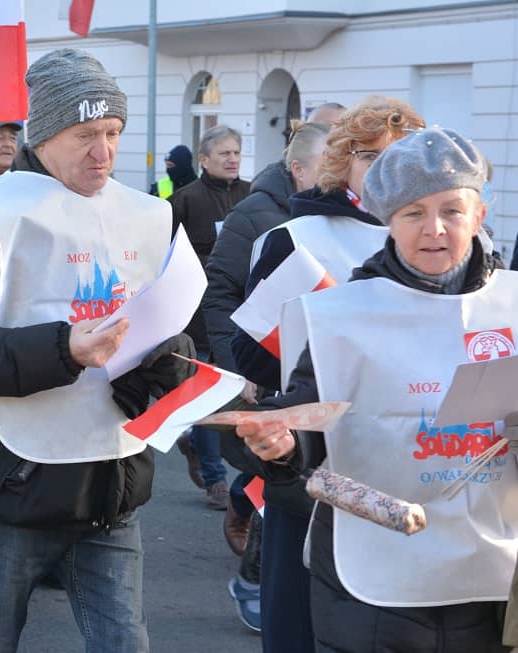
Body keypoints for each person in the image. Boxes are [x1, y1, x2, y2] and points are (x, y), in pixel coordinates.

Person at [0, 48, 196, 653]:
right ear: (42, 137)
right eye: (85, 134)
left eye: (113, 132)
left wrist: (170, 358)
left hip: (112, 481)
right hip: (9, 487)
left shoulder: (149, 214)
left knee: (126, 644)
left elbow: (166, 325)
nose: (104, 152)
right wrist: (63, 349)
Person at [238, 126, 514, 653]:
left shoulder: (512, 310)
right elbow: (307, 419)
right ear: (388, 220)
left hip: (491, 576)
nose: (434, 229)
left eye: (452, 211)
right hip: (371, 586)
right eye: (413, 213)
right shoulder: (345, 314)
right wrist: (283, 441)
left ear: (479, 215)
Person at [231, 97, 425, 653]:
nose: (388, 170)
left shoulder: (446, 239)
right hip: (314, 463)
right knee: (301, 623)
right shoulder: (295, 238)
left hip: (416, 461)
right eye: (371, 156)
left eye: (403, 155)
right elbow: (252, 356)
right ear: (342, 162)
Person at [201, 120, 330, 632]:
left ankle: (242, 511)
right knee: (279, 485)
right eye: (329, 167)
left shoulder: (357, 221)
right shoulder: (256, 215)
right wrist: (237, 370)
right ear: (298, 169)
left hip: (322, 382)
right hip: (269, 376)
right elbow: (221, 294)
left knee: (283, 483)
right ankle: (255, 580)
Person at [169, 125, 252, 510]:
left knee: (237, 398)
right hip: (197, 316)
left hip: (242, 315)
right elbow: (166, 255)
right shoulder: (185, 200)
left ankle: (198, 445)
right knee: (204, 398)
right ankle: (216, 480)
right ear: (204, 160)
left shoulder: (251, 195)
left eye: (236, 153)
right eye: (224, 154)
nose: (232, 160)